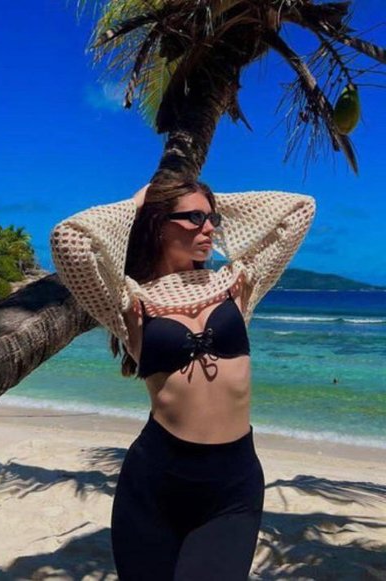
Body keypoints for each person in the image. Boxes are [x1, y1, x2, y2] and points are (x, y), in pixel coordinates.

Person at [50, 179, 316, 580]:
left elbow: (300, 210)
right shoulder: (130, 302)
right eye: (194, 218)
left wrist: (206, 201)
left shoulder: (238, 283)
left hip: (233, 484)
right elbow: (69, 240)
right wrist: (140, 203)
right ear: (159, 224)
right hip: (155, 481)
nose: (209, 228)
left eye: (213, 220)